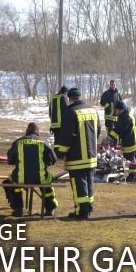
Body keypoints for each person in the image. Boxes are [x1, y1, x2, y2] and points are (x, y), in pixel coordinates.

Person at [55, 87, 99, 220]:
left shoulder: (70, 112)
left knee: (79, 183)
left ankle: (81, 211)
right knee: (89, 181)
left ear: (69, 98)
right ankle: (89, 206)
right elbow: (97, 131)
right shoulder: (92, 110)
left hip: (76, 157)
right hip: (91, 155)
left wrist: (60, 152)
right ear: (80, 96)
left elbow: (67, 136)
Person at [3, 122, 59, 217]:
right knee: (47, 181)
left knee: (10, 182)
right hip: (41, 179)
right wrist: (44, 163)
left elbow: (10, 160)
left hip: (20, 178)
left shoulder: (18, 142)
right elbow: (53, 160)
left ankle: (18, 208)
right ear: (38, 132)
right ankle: (50, 208)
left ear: (26, 131)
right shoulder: (43, 142)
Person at [109, 100, 136, 182]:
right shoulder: (128, 110)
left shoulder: (125, 117)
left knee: (129, 157)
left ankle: (133, 176)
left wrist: (110, 138)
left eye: (117, 110)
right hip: (135, 137)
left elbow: (119, 130)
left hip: (131, 140)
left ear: (121, 109)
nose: (116, 112)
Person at [99, 80, 122, 144]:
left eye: (114, 84)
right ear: (110, 85)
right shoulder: (106, 93)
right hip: (109, 117)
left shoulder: (117, 94)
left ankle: (115, 144)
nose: (113, 85)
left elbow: (121, 103)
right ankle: (110, 145)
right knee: (110, 132)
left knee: (116, 132)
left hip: (116, 117)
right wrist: (108, 106)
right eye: (112, 84)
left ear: (116, 85)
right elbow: (102, 102)